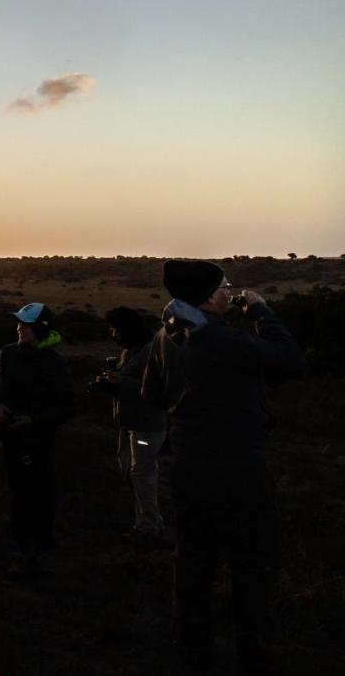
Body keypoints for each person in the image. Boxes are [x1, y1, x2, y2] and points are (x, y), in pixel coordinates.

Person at [142, 260, 302, 675]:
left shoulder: (164, 337)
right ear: (210, 295)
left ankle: (191, 649)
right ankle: (254, 654)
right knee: (253, 562)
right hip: (239, 468)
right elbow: (288, 360)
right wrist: (262, 312)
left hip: (188, 466)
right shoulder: (225, 341)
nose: (228, 291)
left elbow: (152, 394)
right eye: (223, 286)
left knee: (193, 561)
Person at [0, 302, 73, 575]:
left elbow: (66, 406)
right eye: (19, 323)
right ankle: (21, 544)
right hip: (9, 435)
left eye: (26, 325)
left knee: (39, 490)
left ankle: (40, 545)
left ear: (41, 329)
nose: (20, 328)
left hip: (38, 438)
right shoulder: (7, 354)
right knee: (17, 489)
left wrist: (33, 420)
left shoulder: (55, 363)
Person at [97, 306, 166, 546]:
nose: (112, 334)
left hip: (146, 425)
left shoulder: (150, 351)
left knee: (142, 474)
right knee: (130, 472)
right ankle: (147, 521)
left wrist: (119, 380)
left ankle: (149, 526)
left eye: (115, 329)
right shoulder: (130, 351)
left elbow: (155, 388)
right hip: (128, 423)